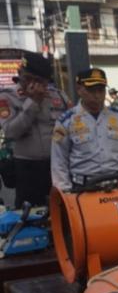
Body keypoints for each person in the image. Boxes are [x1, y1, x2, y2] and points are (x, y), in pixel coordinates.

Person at [51, 68, 118, 191]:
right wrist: (64, 192)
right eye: (91, 90)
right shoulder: (66, 121)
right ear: (79, 89)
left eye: (101, 90)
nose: (97, 96)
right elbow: (59, 161)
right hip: (83, 188)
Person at [0, 51, 72, 207]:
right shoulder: (7, 97)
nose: (33, 85)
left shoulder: (58, 96)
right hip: (27, 168)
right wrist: (33, 102)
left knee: (62, 213)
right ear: (20, 74)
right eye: (27, 79)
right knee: (30, 218)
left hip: (58, 166)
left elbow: (72, 128)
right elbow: (11, 132)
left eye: (39, 81)